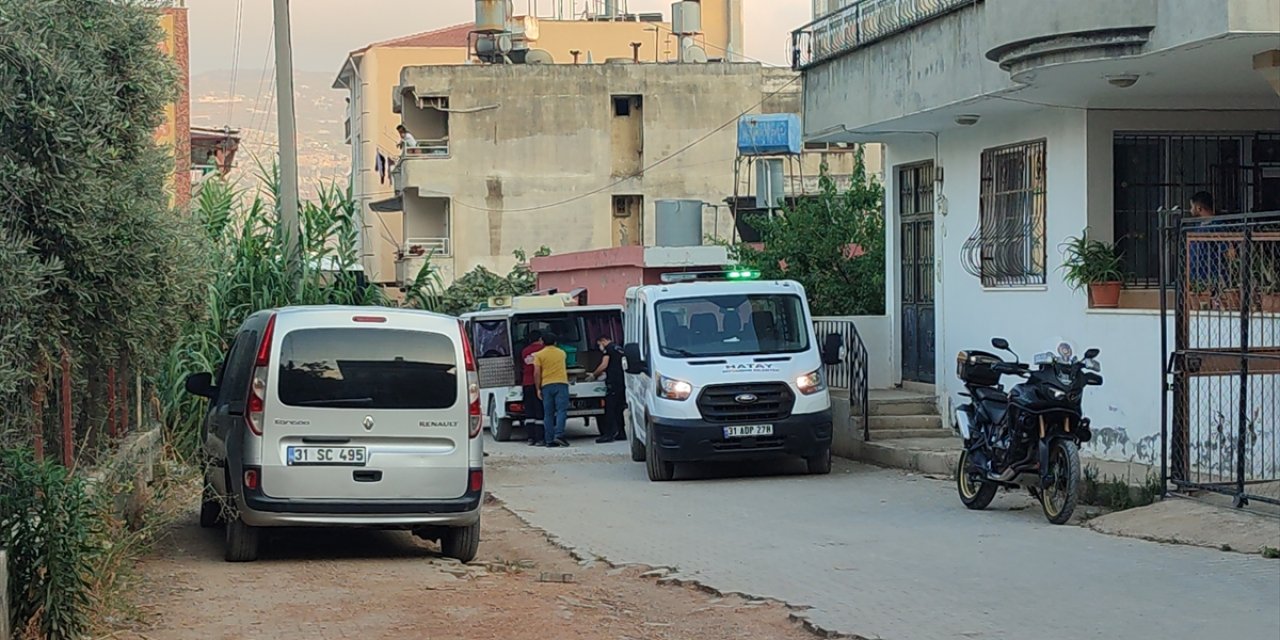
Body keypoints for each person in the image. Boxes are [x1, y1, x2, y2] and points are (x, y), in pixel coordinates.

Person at [534, 332, 571, 448]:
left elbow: (536, 373)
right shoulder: (562, 353)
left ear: (542, 342)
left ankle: (549, 440)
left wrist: (538, 388)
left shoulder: (539, 355)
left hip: (546, 385)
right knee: (561, 411)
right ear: (555, 342)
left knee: (548, 413)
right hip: (561, 383)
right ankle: (559, 434)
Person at [590, 335, 627, 443]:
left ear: (603, 341)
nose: (600, 347)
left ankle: (608, 435)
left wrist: (594, 375)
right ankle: (621, 432)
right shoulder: (619, 349)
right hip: (621, 382)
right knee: (618, 410)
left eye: (599, 344)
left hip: (613, 383)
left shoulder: (609, 350)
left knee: (610, 410)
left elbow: (604, 365)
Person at [520, 331, 546, 446]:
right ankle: (540, 438)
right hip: (540, 382)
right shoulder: (544, 349)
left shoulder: (525, 351)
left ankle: (530, 438)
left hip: (527, 383)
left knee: (529, 411)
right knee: (540, 411)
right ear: (540, 338)